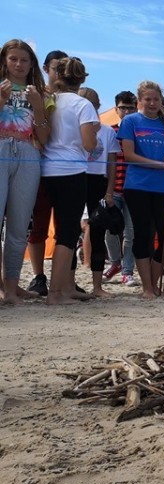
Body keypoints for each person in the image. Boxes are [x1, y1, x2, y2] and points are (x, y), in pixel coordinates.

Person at [40, 57, 100, 305]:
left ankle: (62, 288)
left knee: (50, 230)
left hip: (45, 169)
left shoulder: (48, 100)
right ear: (82, 78)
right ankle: (56, 293)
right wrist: (93, 137)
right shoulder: (82, 104)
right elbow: (88, 144)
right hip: (71, 171)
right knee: (68, 231)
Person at [118, 80, 164, 299]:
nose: (153, 103)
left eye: (156, 99)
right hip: (137, 185)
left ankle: (153, 284)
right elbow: (128, 155)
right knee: (143, 235)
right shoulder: (130, 121)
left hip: (163, 187)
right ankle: (147, 287)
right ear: (140, 101)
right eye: (148, 99)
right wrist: (159, 165)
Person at [0, 40, 51, 304]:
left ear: (32, 64)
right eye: (13, 59)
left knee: (20, 225)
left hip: (29, 154)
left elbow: (43, 137)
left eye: (24, 60)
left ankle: (12, 287)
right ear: (5, 61)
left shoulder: (39, 93)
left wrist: (38, 105)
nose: (19, 65)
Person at [24, 49, 68, 298]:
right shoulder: (35, 92)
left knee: (66, 226)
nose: (60, 72)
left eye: (65, 68)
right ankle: (38, 275)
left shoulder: (74, 97)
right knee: (38, 226)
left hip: (65, 169)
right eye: (56, 68)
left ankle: (63, 280)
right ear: (45, 69)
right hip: (39, 166)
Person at [76, 87, 119, 298]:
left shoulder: (107, 131)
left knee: (98, 233)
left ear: (97, 107)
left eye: (91, 106)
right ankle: (68, 282)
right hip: (74, 176)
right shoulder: (71, 126)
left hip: (97, 181)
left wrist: (109, 191)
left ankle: (97, 286)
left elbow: (112, 163)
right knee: (68, 231)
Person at [103, 91, 139, 287]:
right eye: (123, 107)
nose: (126, 111)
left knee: (130, 233)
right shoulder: (111, 131)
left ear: (136, 109)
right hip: (113, 188)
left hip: (134, 189)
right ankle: (115, 263)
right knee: (110, 230)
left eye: (130, 108)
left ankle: (127, 271)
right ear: (116, 109)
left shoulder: (140, 133)